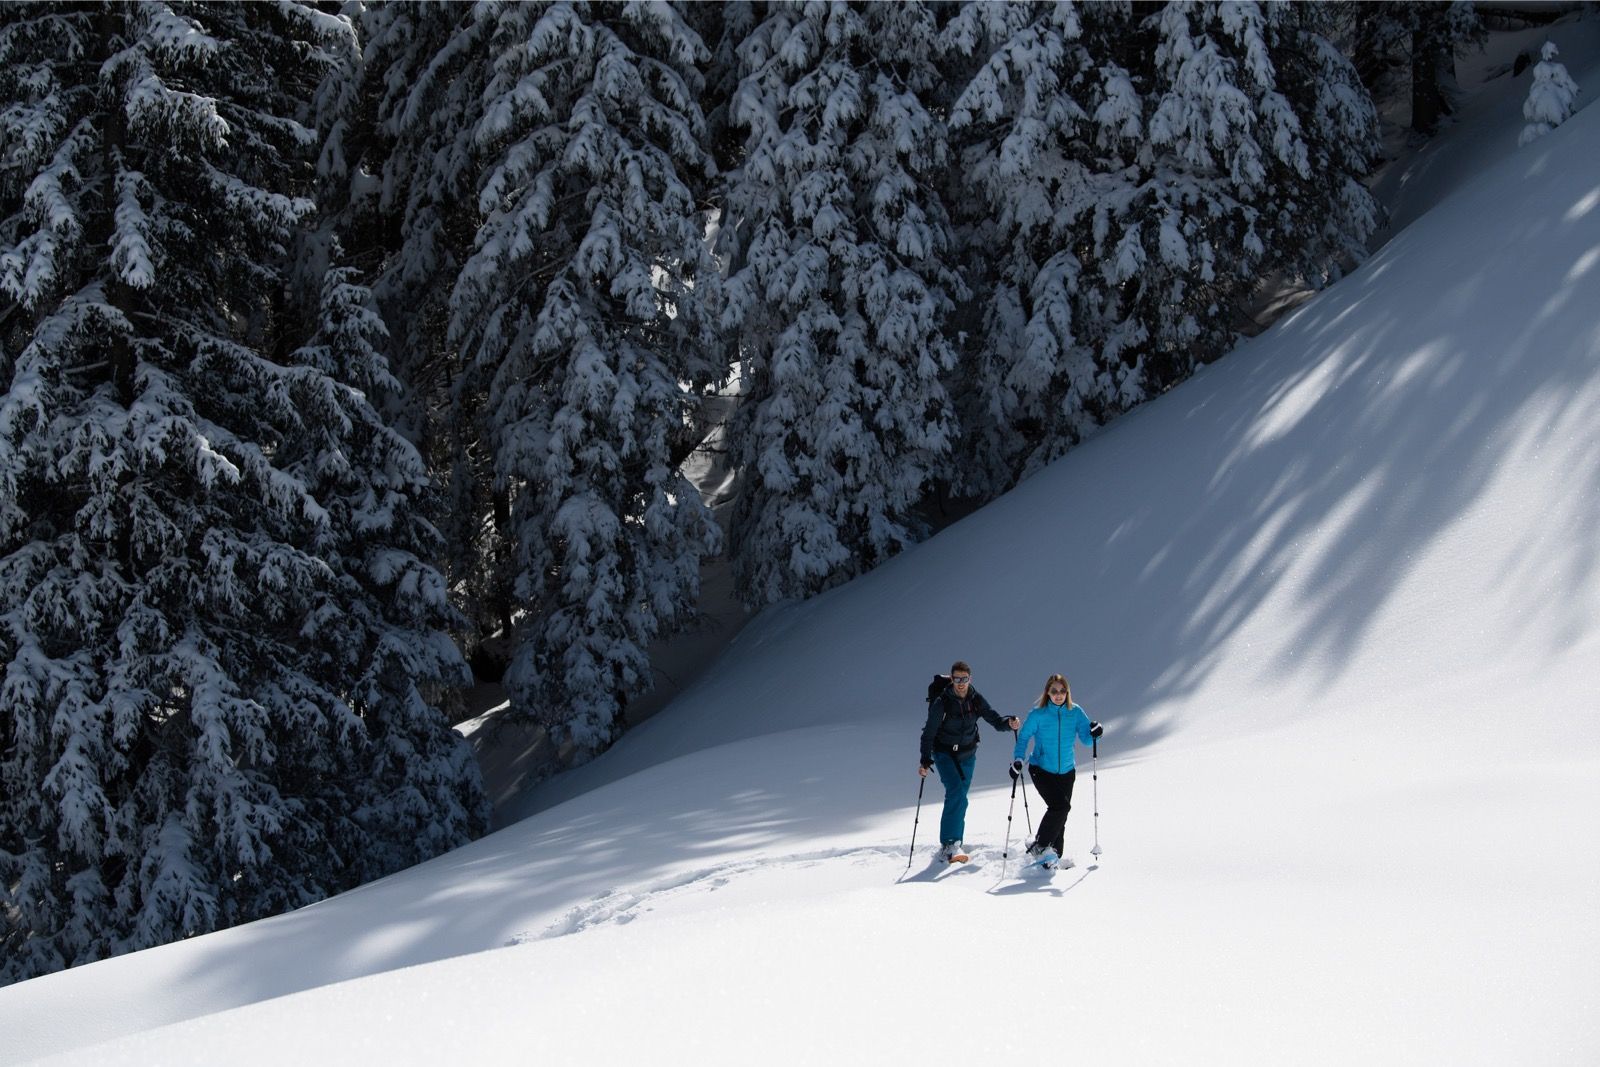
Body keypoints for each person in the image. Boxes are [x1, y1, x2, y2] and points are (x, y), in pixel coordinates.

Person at [919, 661, 1020, 861]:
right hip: (944, 754)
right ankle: (949, 845)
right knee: (956, 792)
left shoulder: (975, 699)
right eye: (957, 679)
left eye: (964, 679)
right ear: (952, 679)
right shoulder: (942, 703)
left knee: (960, 798)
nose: (960, 683)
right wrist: (925, 760)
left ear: (969, 679)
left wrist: (1009, 723)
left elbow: (995, 720)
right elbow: (928, 733)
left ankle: (956, 843)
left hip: (968, 754)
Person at [1010, 674, 1102, 868]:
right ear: (1047, 692)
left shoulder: (1075, 712)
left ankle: (1053, 858)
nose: (1058, 695)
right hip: (1041, 769)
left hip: (1067, 771)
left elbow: (1087, 738)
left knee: (1061, 815)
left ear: (1067, 692)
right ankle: (1041, 846)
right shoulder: (1038, 714)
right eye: (1054, 691)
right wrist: (1018, 759)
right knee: (1060, 807)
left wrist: (1096, 732)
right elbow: (1024, 737)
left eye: (1062, 691)